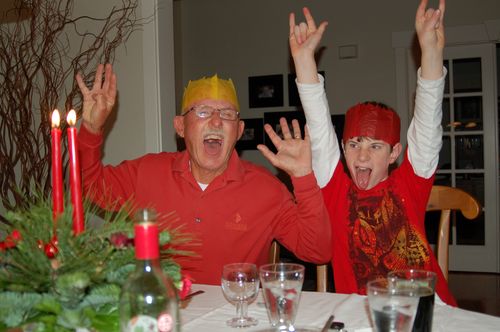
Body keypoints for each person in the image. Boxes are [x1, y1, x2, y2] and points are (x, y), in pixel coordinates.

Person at [76, 69, 331, 285]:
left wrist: (304, 177)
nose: (217, 121)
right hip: (163, 312)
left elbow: (317, 251)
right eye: (202, 112)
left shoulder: (267, 190)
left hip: (236, 318)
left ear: (239, 130)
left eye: (227, 114)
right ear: (180, 127)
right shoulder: (146, 172)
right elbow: (88, 187)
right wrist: (90, 130)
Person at [289, 0, 456, 305]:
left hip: (429, 313)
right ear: (342, 148)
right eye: (354, 145)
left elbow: (427, 123)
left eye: (375, 147)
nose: (362, 157)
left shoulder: (410, 184)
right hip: (360, 318)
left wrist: (430, 51)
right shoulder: (335, 188)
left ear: (395, 153)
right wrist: (303, 61)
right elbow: (318, 123)